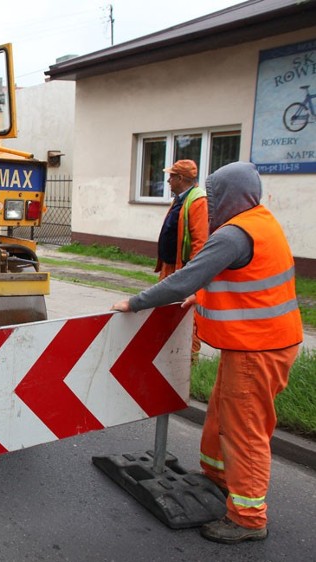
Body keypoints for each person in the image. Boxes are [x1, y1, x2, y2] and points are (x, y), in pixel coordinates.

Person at [112, 161, 302, 544]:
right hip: (260, 342)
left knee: (244, 430)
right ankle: (217, 477)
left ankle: (248, 517)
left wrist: (136, 302)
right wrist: (200, 296)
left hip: (257, 347)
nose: (210, 203)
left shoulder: (234, 234)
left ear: (229, 196)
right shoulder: (260, 221)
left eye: (214, 195)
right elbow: (244, 280)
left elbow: (186, 276)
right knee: (220, 414)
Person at [155, 159, 208, 361]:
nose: (168, 180)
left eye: (171, 176)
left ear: (180, 178)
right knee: (165, 310)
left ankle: (188, 359)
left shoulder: (197, 201)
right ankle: (170, 354)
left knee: (187, 316)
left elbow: (200, 243)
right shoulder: (181, 198)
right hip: (170, 267)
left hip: (183, 270)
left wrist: (193, 279)